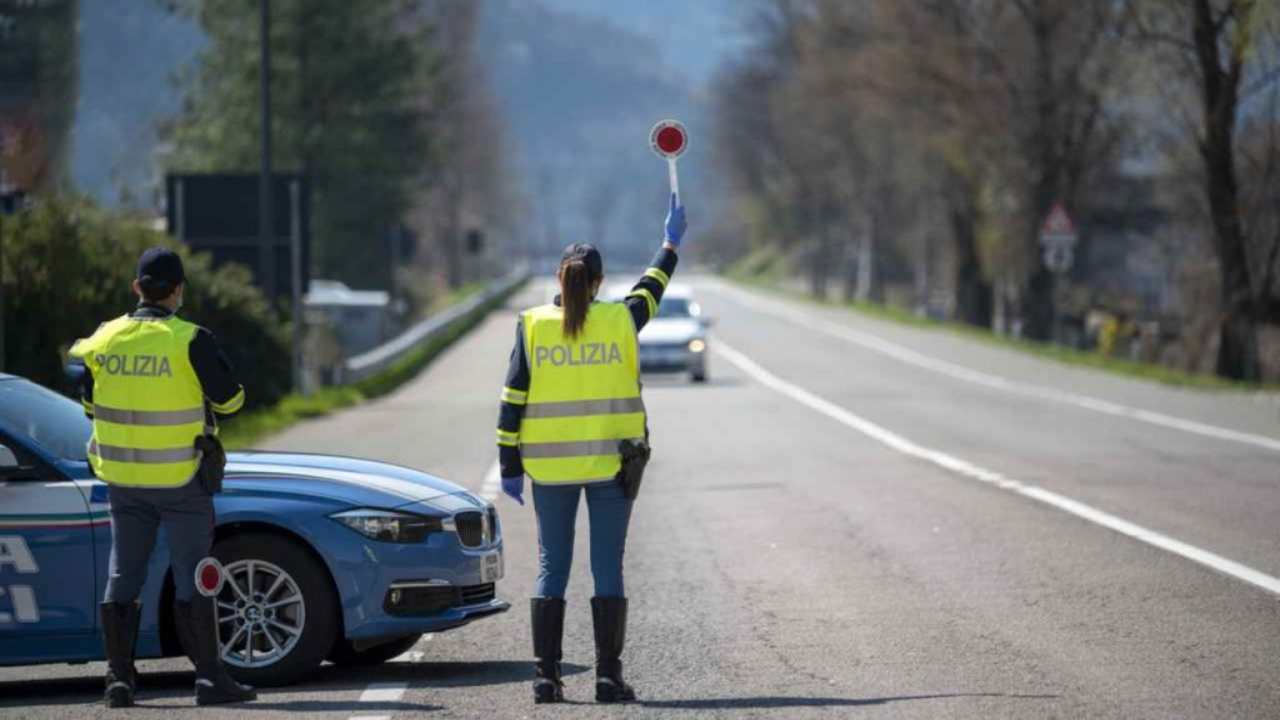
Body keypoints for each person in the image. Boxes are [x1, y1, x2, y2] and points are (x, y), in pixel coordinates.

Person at [496, 193, 687, 704]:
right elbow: (654, 285)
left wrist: (508, 464)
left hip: (548, 471)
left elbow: (512, 398)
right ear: (598, 282)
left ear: (560, 279)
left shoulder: (532, 325)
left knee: (549, 568)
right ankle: (607, 677)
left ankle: (545, 679)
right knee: (608, 567)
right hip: (610, 468)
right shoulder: (622, 319)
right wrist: (669, 243)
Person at [68, 248, 256, 708]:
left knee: (124, 573)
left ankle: (118, 681)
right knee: (196, 575)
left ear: (137, 288)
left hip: (123, 480)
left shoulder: (104, 339)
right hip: (180, 480)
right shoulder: (189, 339)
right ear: (178, 290)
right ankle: (210, 679)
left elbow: (89, 402)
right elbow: (232, 402)